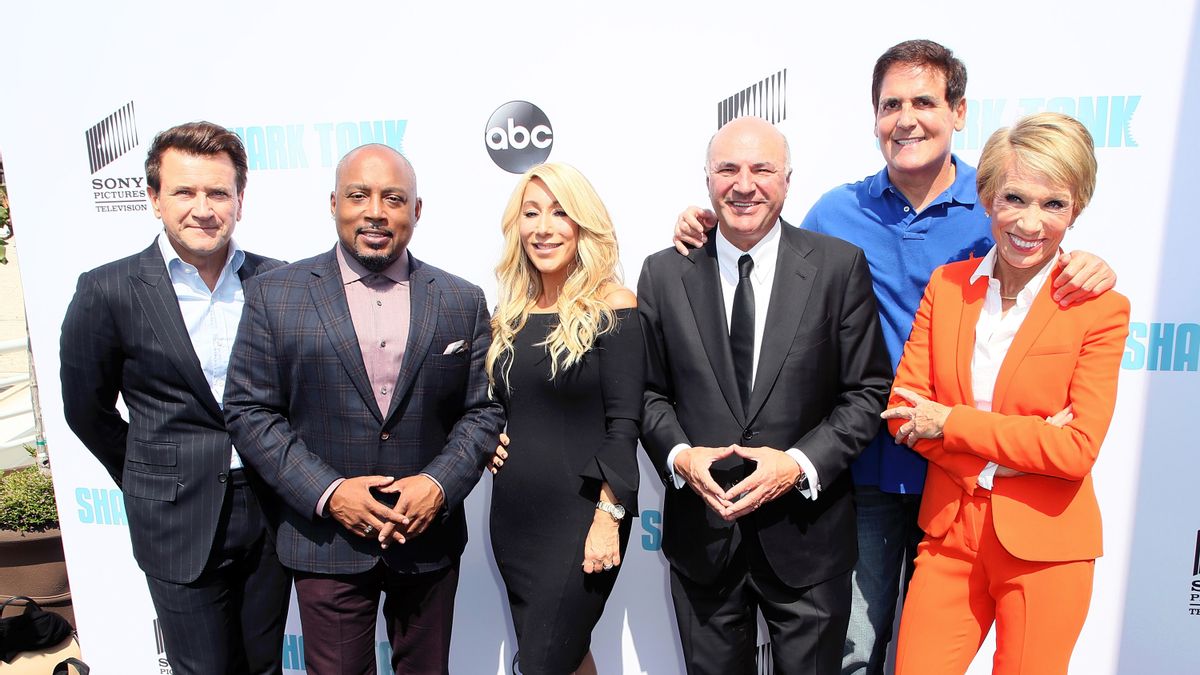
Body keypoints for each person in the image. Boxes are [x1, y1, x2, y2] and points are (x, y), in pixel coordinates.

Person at [672, 40, 1117, 674]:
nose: (906, 119)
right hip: (870, 471)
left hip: (967, 484)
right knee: (857, 652)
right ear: (874, 116)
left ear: (959, 112)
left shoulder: (1002, 200)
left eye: (925, 102)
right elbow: (769, 249)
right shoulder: (837, 211)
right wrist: (706, 227)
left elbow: (1045, 252)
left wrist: (1095, 263)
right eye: (891, 104)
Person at [222, 143, 505, 674]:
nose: (376, 211)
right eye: (359, 195)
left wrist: (437, 485)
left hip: (427, 538)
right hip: (326, 542)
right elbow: (249, 411)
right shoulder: (274, 296)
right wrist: (330, 493)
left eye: (394, 198)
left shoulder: (460, 299)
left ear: (416, 211)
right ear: (334, 203)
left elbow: (482, 411)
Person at [639, 116, 893, 674]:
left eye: (762, 168)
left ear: (788, 179)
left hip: (808, 535)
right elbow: (649, 393)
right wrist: (681, 456)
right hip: (703, 537)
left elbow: (867, 391)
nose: (744, 183)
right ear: (707, 179)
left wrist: (798, 464)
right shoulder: (662, 273)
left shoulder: (837, 266)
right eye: (727, 168)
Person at [880, 112, 1129, 674]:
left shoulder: (1100, 309)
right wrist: (1018, 447)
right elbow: (902, 414)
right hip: (949, 535)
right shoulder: (947, 288)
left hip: (1046, 547)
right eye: (1015, 198)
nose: (1031, 222)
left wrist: (951, 422)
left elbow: (1075, 451)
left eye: (1054, 204)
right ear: (987, 196)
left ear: (1077, 210)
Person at [60, 121, 290, 675]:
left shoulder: (279, 283)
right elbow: (86, 410)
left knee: (264, 667)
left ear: (240, 199)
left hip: (269, 512)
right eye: (184, 192)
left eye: (217, 192)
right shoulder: (108, 289)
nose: (202, 208)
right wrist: (151, 477)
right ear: (154, 199)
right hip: (175, 520)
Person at [485, 162, 643, 675]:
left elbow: (624, 425)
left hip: (584, 519)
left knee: (542, 662)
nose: (543, 227)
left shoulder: (612, 305)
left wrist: (609, 517)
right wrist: (487, 434)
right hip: (515, 519)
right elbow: (499, 406)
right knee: (567, 657)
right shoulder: (509, 312)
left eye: (559, 212)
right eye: (531, 213)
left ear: (582, 225)